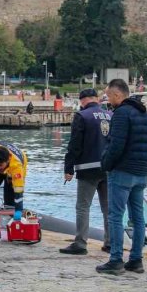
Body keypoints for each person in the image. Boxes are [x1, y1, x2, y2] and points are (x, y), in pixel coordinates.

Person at [97, 79, 147, 276]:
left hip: (122, 171)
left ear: (117, 95)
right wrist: (145, 167)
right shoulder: (146, 114)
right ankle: (136, 259)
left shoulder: (121, 113)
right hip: (141, 172)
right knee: (137, 217)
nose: (107, 99)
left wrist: (106, 164)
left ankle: (115, 260)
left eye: (108, 95)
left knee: (115, 216)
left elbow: (116, 145)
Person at [60, 89, 112, 255]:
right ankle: (110, 242)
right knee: (108, 208)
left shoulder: (82, 116)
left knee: (83, 207)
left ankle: (81, 243)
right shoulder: (110, 115)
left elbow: (75, 144)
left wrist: (68, 168)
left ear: (82, 101)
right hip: (108, 168)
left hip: (87, 168)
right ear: (96, 99)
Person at [0, 143, 28, 223]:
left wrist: (18, 209)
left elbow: (18, 190)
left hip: (12, 171)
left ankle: (9, 224)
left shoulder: (16, 167)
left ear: (8, 161)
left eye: (0, 165)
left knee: (10, 203)